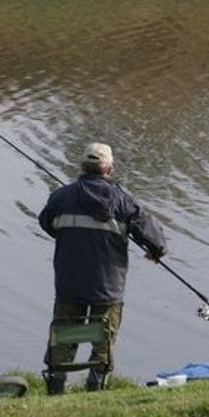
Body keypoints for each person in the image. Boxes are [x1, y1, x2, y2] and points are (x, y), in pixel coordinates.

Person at [38, 142, 167, 394]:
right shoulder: (122, 200)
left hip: (69, 281)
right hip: (108, 286)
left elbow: (46, 223)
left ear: (82, 167)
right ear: (109, 169)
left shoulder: (61, 197)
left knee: (64, 335)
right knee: (103, 341)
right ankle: (95, 391)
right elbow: (155, 238)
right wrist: (155, 252)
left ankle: (55, 391)